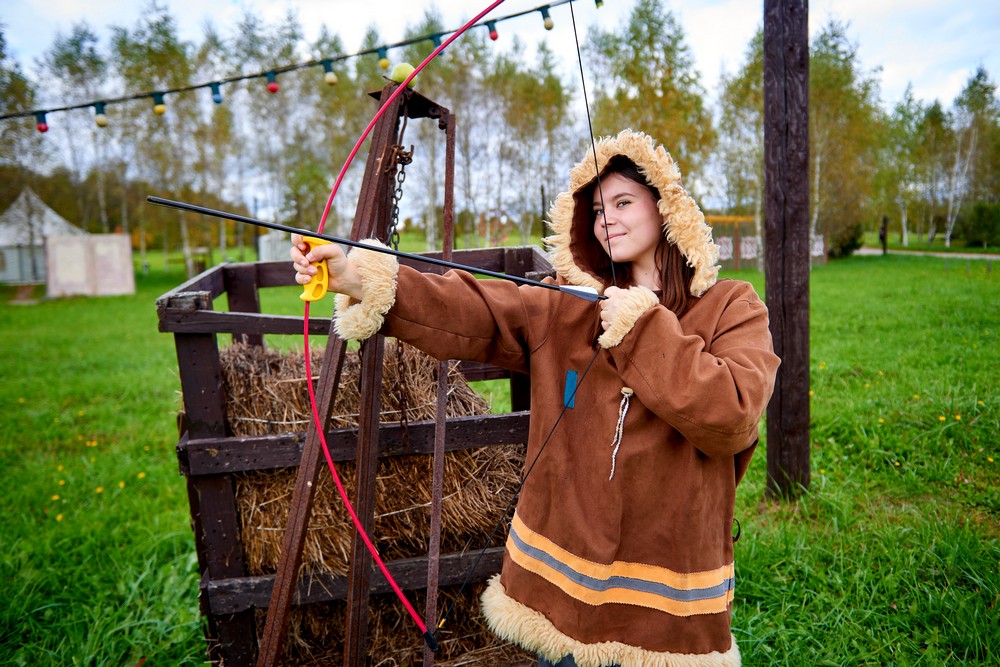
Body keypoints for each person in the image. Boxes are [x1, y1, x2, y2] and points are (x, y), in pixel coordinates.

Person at [292, 130, 780, 667]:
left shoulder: (731, 306)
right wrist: (362, 279)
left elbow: (733, 414)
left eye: (623, 203)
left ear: (666, 208)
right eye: (598, 210)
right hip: (563, 591)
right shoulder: (567, 304)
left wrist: (641, 328)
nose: (607, 220)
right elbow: (474, 308)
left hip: (666, 600)